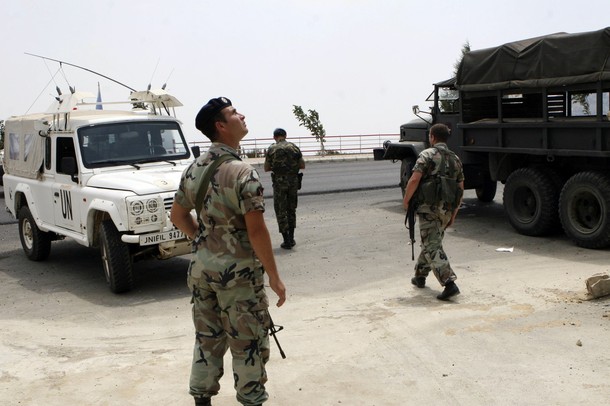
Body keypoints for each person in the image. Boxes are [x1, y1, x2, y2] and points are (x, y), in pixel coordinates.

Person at [170, 97, 286, 406]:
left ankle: (201, 399)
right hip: (238, 278)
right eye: (234, 113)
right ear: (221, 126)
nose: (242, 115)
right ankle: (250, 400)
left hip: (202, 271)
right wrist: (274, 276)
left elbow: (178, 216)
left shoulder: (194, 168)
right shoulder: (242, 172)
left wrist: (204, 240)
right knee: (247, 342)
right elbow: (256, 231)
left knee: (207, 339)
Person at [402, 123, 464, 301]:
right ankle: (420, 276)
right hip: (446, 210)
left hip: (428, 209)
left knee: (432, 245)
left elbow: (414, 179)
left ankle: (449, 283)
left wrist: (406, 201)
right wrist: (454, 213)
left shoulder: (426, 155)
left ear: (432, 137)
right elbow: (460, 188)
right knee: (431, 242)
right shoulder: (456, 159)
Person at [264, 128, 305, 249]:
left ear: (274, 137)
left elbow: (266, 168)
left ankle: (286, 240)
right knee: (291, 209)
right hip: (293, 182)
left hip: (279, 183)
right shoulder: (294, 147)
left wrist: (278, 168)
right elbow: (302, 165)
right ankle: (292, 238)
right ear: (285, 135)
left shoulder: (272, 149)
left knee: (281, 210)